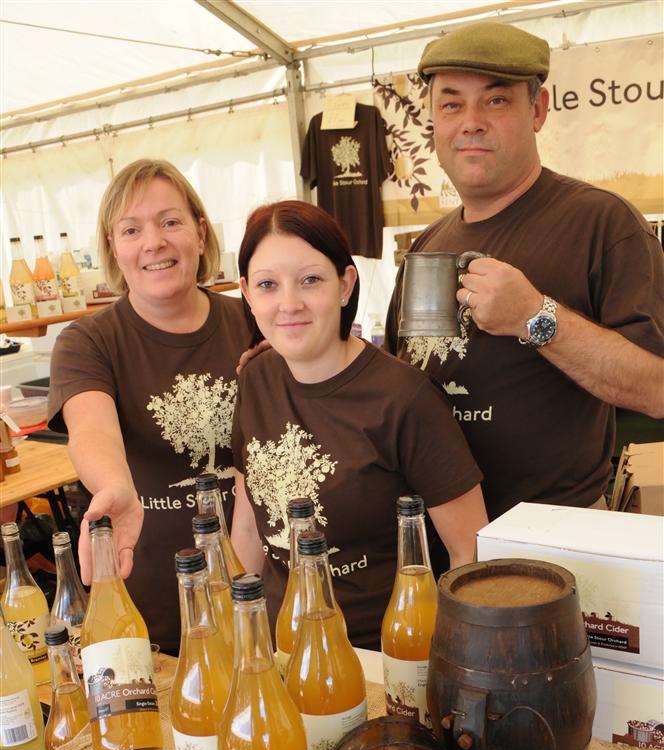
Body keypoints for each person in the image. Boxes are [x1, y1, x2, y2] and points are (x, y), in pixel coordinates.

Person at [385, 22, 664, 524]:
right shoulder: (427, 246)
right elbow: (402, 380)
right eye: (451, 104)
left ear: (537, 110)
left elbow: (658, 388)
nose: (470, 122)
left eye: (495, 101)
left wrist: (538, 317)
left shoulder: (603, 224)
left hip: (562, 540)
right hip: (444, 539)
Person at [230, 200, 487, 650]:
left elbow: (469, 552)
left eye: (310, 280)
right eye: (268, 285)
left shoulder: (404, 399)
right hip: (279, 649)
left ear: (345, 285)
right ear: (248, 295)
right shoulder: (255, 379)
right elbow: (250, 523)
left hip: (379, 655)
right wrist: (241, 637)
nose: (288, 303)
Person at [48, 159, 252, 651]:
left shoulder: (253, 319)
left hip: (258, 594)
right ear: (114, 250)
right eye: (131, 229)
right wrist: (115, 486)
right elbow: (91, 428)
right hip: (151, 609)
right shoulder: (88, 341)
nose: (153, 242)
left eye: (170, 221)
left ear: (200, 234)